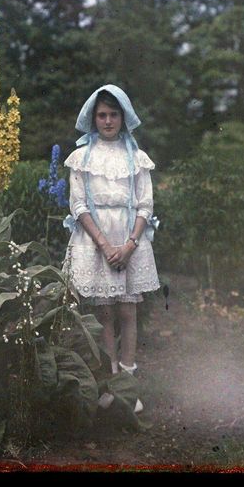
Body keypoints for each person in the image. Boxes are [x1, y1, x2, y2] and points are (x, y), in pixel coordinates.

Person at [63, 85, 160, 413]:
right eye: (102, 115)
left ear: (123, 116)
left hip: (129, 239)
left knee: (128, 311)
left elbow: (145, 205)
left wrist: (130, 245)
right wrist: (105, 245)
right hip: (97, 240)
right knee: (104, 312)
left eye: (113, 114)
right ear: (94, 118)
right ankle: (111, 379)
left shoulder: (135, 156)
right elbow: (78, 205)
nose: (107, 121)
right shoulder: (82, 157)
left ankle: (128, 388)